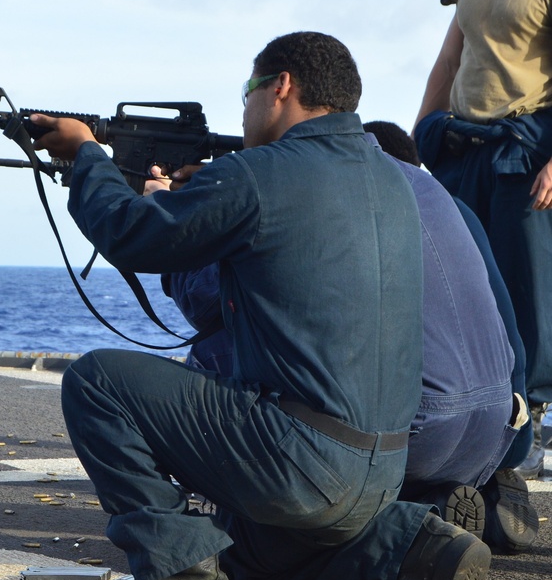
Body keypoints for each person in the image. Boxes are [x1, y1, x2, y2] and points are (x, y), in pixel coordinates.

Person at [30, 31, 491, 580]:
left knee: (98, 383)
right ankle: (410, 549)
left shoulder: (263, 175)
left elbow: (131, 234)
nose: (243, 108)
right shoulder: (393, 180)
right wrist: (209, 192)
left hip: (298, 462)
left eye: (248, 91)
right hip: (382, 473)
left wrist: (86, 156)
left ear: (281, 87)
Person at [165, 119, 539, 554]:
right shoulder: (450, 205)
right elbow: (508, 329)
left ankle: (402, 522)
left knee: (212, 359)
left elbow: (208, 302)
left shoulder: (346, 199)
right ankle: (449, 499)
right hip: (493, 430)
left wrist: (178, 221)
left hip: (411, 432)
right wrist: (513, 447)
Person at [414, 0, 552, 481]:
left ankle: (530, 423)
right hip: (463, 146)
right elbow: (451, 58)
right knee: (458, 281)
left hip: (525, 151)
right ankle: (476, 411)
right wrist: (415, 144)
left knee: (527, 291)